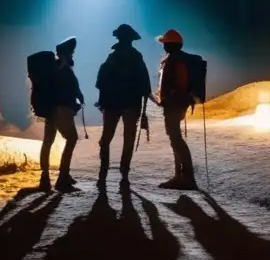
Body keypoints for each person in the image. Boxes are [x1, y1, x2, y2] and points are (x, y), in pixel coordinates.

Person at [95, 23, 152, 191]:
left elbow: (100, 82)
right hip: (131, 105)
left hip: (112, 103)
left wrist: (103, 102)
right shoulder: (137, 57)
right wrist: (143, 110)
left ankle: (103, 173)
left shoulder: (111, 57)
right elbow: (145, 85)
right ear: (131, 39)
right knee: (128, 138)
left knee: (106, 138)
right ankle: (124, 174)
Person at [39, 36, 85, 192]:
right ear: (66, 53)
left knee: (48, 142)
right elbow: (69, 90)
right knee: (71, 138)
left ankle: (44, 178)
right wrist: (77, 98)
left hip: (49, 110)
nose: (73, 54)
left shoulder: (51, 68)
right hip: (61, 110)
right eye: (71, 52)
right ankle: (63, 177)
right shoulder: (64, 69)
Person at [154, 28, 198, 190]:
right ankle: (180, 176)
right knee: (175, 138)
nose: (163, 46)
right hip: (176, 104)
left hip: (174, 105)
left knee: (176, 139)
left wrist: (170, 99)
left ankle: (186, 177)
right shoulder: (174, 59)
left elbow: (179, 85)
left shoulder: (176, 61)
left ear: (171, 45)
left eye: (165, 43)